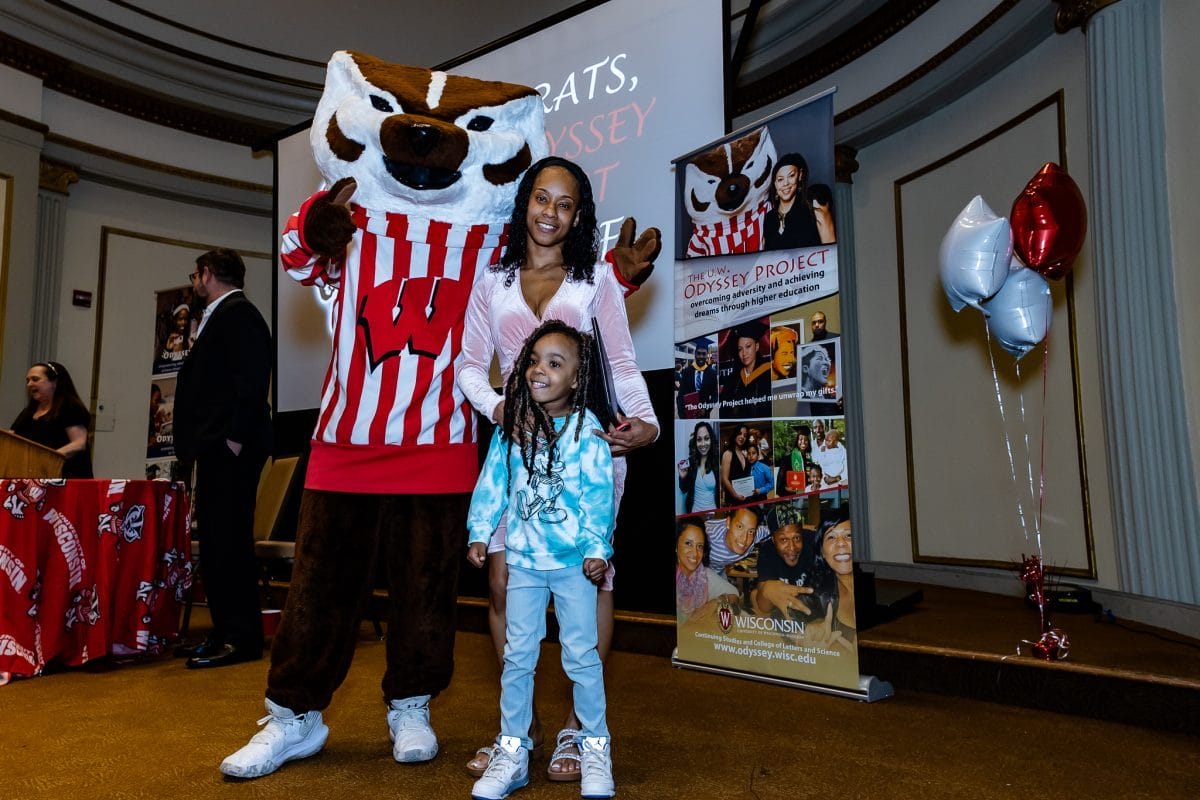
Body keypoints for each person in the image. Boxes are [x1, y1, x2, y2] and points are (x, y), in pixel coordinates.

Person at [457, 156, 658, 782]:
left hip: (586, 451)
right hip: (516, 453)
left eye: (564, 203)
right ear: (525, 205)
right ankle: (519, 730)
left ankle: (577, 727)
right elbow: (468, 365)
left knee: (587, 585)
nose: (550, 212)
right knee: (500, 583)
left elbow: (621, 365)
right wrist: (501, 410)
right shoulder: (492, 281)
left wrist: (646, 422)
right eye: (541, 198)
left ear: (579, 216)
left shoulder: (594, 278)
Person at [465, 321, 616, 800]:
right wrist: (480, 533)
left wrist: (597, 548)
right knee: (517, 660)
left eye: (555, 363)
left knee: (581, 660)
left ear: (576, 378)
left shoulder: (588, 428)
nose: (539, 370)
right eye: (533, 361)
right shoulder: (511, 430)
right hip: (524, 564)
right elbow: (493, 484)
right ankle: (513, 751)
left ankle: (595, 748)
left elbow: (598, 494)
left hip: (573, 565)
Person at [172, 248, 272, 669]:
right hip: (213, 446)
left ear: (207, 274)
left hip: (231, 447)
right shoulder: (220, 314)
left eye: (195, 275)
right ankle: (222, 631)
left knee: (229, 541)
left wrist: (233, 440)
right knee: (215, 542)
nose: (194, 282)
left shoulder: (240, 314)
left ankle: (242, 637)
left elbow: (250, 383)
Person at [10, 361, 93, 478]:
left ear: (54, 382)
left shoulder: (70, 407)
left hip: (66, 477)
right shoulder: (29, 411)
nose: (29, 384)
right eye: (27, 380)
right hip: (35, 478)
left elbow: (79, 444)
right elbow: (11, 438)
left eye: (35, 379)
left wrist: (47, 459)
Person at [675, 519, 739, 623]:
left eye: (699, 546)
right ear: (676, 546)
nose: (695, 553)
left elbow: (735, 595)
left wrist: (717, 602)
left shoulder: (703, 574)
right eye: (688, 543)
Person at [750, 523, 816, 620]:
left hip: (813, 607)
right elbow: (763, 606)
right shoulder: (768, 551)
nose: (792, 548)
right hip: (782, 609)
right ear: (773, 539)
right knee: (755, 594)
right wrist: (767, 589)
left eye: (797, 538)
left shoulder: (813, 542)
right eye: (783, 540)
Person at [808, 517, 856, 649]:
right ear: (823, 552)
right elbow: (781, 616)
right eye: (832, 537)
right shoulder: (821, 593)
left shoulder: (886, 585)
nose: (841, 543)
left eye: (849, 535)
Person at [763, 153, 820, 251]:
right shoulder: (769, 218)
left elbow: (830, 255)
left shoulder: (812, 209)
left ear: (800, 175)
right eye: (780, 179)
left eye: (791, 176)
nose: (786, 183)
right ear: (775, 183)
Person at [721, 322, 771, 418]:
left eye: (748, 346)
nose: (744, 353)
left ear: (756, 346)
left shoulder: (769, 374)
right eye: (740, 349)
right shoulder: (733, 380)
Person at [703, 505, 769, 570]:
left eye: (751, 531)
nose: (744, 539)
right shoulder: (708, 537)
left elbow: (775, 531)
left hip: (720, 569)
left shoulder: (755, 535)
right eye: (740, 527)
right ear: (728, 522)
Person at [677, 421, 718, 514]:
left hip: (713, 514)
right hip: (694, 513)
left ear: (711, 439)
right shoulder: (691, 462)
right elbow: (684, 489)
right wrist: (682, 477)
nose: (703, 444)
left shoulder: (716, 462)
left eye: (706, 438)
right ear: (695, 442)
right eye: (699, 439)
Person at [676, 343, 717, 418]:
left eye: (704, 354)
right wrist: (682, 414)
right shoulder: (687, 372)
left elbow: (715, 396)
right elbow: (681, 395)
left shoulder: (712, 373)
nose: (701, 356)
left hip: (704, 415)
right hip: (688, 414)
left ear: (707, 355)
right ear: (695, 354)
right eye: (699, 353)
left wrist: (706, 408)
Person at [719, 424, 753, 506]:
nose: (742, 437)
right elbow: (725, 479)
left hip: (746, 497)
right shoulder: (728, 454)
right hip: (733, 499)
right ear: (734, 435)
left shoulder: (745, 454)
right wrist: (736, 495)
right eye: (739, 433)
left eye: (745, 435)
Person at [775, 426, 810, 496]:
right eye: (800, 439)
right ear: (797, 440)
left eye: (806, 439)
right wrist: (786, 488)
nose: (803, 442)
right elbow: (779, 486)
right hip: (792, 497)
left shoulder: (811, 459)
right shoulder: (787, 459)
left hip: (809, 496)